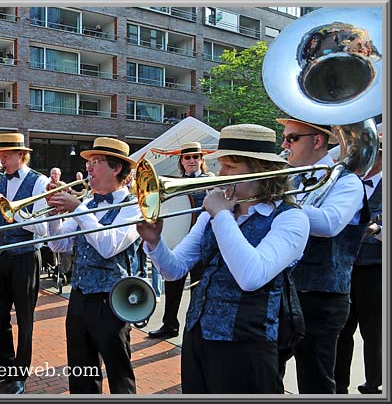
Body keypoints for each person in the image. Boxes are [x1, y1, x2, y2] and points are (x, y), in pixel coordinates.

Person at [138, 124, 310, 393]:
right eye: (221, 165)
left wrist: (221, 215)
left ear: (261, 170)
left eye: (230, 166)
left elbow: (252, 276)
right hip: (199, 336)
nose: (220, 174)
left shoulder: (291, 218)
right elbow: (174, 270)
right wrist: (154, 242)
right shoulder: (214, 214)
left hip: (248, 343)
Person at [276, 118, 368, 394]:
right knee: (267, 370)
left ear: (317, 141)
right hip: (283, 291)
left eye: (291, 138)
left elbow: (329, 224)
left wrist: (281, 200)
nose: (283, 145)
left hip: (322, 296)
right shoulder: (290, 179)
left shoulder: (347, 182)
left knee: (315, 380)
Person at [46, 137, 141, 394]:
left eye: (96, 162)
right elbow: (59, 245)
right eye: (89, 162)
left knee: (119, 373)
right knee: (81, 372)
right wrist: (54, 217)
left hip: (112, 300)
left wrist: (78, 210)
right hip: (79, 297)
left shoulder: (133, 206)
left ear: (116, 168)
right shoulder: (87, 204)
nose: (89, 168)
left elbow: (108, 246)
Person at [0, 133, 49, 395]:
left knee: (25, 319)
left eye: (6, 155)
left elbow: (41, 228)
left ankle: (20, 373)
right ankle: (4, 366)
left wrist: (10, 208)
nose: (1, 159)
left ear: (21, 155)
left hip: (25, 256)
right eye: (0, 154)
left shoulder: (38, 182)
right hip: (1, 254)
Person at [334, 126, 383, 394]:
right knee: (342, 328)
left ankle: (374, 383)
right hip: (343, 265)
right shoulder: (347, 183)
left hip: (375, 268)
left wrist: (378, 229)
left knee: (373, 330)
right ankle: (338, 384)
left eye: (369, 155)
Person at [148, 142, 211, 339]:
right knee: (172, 283)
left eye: (195, 157)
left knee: (199, 288)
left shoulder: (211, 181)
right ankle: (170, 324)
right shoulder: (174, 182)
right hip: (179, 241)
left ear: (202, 160)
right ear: (181, 162)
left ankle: (195, 328)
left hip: (202, 243)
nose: (192, 160)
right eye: (187, 157)